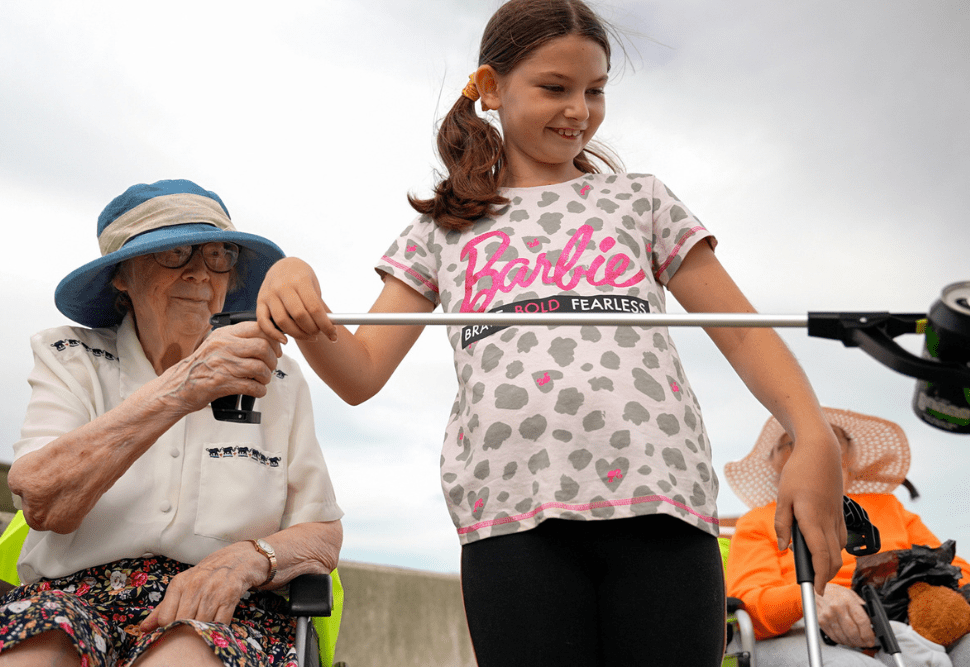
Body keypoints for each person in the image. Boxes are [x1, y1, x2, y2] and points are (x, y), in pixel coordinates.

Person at [255, 1, 846, 664]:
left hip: (662, 507)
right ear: (490, 87)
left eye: (595, 91)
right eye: (555, 88)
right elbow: (360, 373)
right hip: (508, 521)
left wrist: (812, 433)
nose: (580, 111)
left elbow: (741, 332)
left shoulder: (641, 201)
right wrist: (292, 277)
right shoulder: (443, 229)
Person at [0, 180, 344, 667]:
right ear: (121, 276)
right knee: (35, 649)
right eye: (176, 254)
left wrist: (246, 560)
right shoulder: (71, 357)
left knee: (187, 652)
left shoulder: (276, 375)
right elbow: (43, 501)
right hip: (71, 600)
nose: (199, 274)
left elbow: (321, 531)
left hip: (222, 608)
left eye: (218, 255)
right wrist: (182, 387)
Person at [725, 407, 970, 666]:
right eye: (792, 442)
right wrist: (812, 597)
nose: (815, 448)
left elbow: (956, 570)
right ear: (774, 462)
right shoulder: (758, 521)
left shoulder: (889, 507)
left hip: (908, 621)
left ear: (850, 454)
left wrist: (924, 595)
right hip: (803, 630)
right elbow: (749, 606)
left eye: (830, 437)